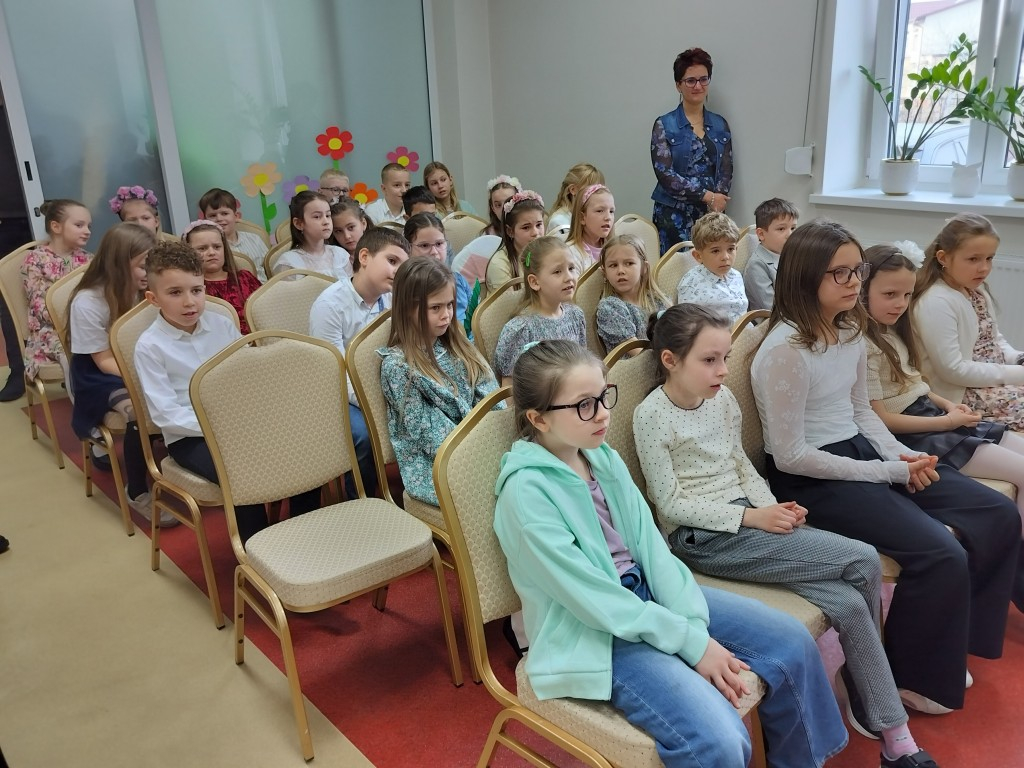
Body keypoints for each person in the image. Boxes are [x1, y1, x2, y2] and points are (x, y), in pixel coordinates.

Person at [494, 339, 848, 768]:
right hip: (592, 633)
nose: (603, 414)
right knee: (718, 741)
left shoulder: (599, 455)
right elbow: (593, 601)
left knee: (791, 642)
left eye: (604, 396)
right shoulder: (525, 495)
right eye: (585, 405)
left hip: (647, 599)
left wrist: (691, 627)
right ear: (538, 419)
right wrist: (690, 642)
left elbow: (652, 550)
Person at [637, 304, 937, 767]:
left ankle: (896, 739)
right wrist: (752, 517)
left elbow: (741, 464)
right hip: (702, 537)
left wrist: (772, 507)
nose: (722, 370)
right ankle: (875, 702)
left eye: (724, 358)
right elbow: (670, 504)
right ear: (670, 360)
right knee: (862, 559)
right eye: (709, 360)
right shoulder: (651, 414)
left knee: (849, 602)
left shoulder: (722, 399)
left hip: (748, 519)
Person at [752, 219, 1021, 716]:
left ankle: (951, 641)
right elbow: (790, 456)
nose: (854, 282)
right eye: (840, 273)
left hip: (863, 452)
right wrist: (885, 472)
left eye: (857, 270)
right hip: (814, 478)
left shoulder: (850, 329)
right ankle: (884, 680)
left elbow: (861, 413)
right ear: (805, 275)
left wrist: (900, 455)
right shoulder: (785, 350)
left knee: (996, 512)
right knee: (940, 552)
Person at [134, 241, 320, 544]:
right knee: (243, 471)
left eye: (196, 290)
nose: (189, 302)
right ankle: (256, 547)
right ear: (153, 298)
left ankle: (304, 531)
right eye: (175, 293)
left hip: (240, 422)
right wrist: (223, 429)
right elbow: (165, 414)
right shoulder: (150, 346)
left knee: (304, 448)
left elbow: (246, 376)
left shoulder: (221, 324)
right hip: (189, 437)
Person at [864, 242, 1024, 527]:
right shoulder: (864, 347)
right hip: (918, 434)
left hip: (932, 415)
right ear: (862, 291)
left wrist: (948, 405)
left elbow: (916, 385)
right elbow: (882, 419)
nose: (901, 303)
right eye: (890, 294)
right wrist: (947, 422)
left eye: (907, 295)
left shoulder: (891, 331)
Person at [67, 223, 175, 525]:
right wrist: (146, 376)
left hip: (143, 360)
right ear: (118, 264)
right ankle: (137, 490)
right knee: (137, 411)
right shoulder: (88, 301)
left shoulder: (147, 289)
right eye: (142, 265)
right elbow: (103, 360)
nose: (149, 272)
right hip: (100, 374)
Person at [378, 258, 499, 505]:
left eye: (450, 305)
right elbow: (430, 435)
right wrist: (482, 453)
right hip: (439, 465)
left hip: (482, 446)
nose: (446, 315)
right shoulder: (398, 368)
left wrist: (496, 439)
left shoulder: (457, 345)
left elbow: (490, 396)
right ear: (408, 309)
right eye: (435, 308)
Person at [309, 227, 409, 497]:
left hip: (382, 384)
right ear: (364, 257)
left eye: (403, 265)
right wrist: (375, 401)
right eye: (392, 261)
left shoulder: (392, 297)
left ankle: (415, 491)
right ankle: (362, 499)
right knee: (365, 435)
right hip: (340, 393)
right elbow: (334, 373)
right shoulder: (330, 306)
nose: (398, 271)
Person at [911, 213, 1024, 430]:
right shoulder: (936, 301)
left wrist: (1018, 359)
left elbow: (993, 339)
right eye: (973, 259)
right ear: (943, 258)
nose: (984, 268)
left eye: (989, 258)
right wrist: (1018, 374)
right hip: (962, 394)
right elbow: (953, 369)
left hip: (993, 380)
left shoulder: (976, 290)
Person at [651, 48, 733, 254]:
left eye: (703, 79)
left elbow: (726, 168)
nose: (698, 86)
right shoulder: (664, 124)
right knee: (676, 269)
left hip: (710, 214)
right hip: (673, 214)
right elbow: (665, 174)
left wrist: (717, 201)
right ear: (678, 85)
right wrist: (707, 196)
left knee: (711, 266)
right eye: (690, 81)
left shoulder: (720, 124)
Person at [493, 236, 585, 384]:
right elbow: (509, 387)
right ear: (535, 282)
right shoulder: (520, 329)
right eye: (557, 271)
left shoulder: (576, 315)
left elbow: (582, 365)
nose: (569, 277)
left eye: (571, 268)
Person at [21, 199, 92, 381]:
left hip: (85, 325)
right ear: (56, 227)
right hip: (51, 331)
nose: (87, 231)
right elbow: (39, 306)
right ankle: (80, 398)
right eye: (79, 225)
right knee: (71, 356)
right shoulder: (35, 260)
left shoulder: (89, 260)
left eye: (88, 226)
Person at [182, 220, 261, 334]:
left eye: (217, 247)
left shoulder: (245, 278)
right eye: (202, 248)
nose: (211, 252)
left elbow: (265, 312)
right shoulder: (189, 288)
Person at [595, 234, 668, 353]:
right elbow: (638, 354)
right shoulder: (609, 307)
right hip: (642, 363)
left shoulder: (658, 300)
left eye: (629, 263)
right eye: (613, 265)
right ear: (605, 273)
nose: (620, 271)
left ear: (644, 267)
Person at [675, 212, 747, 325]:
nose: (725, 257)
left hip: (746, 331)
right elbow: (687, 325)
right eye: (715, 251)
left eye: (731, 249)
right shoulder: (691, 283)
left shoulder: (736, 275)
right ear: (698, 256)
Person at [404, 213, 471, 331]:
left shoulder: (457, 279)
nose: (434, 252)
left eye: (439, 244)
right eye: (424, 245)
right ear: (408, 248)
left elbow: (475, 314)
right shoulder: (407, 287)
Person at [273, 190, 351, 280]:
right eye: (317, 217)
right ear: (299, 223)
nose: (326, 222)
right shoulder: (289, 263)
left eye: (328, 215)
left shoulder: (340, 255)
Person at [198, 188, 270, 281]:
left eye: (224, 213)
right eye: (212, 215)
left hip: (266, 287)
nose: (219, 219)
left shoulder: (255, 239)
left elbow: (269, 268)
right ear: (205, 220)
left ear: (236, 216)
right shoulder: (210, 250)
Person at [484, 190, 545, 296]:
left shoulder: (547, 254)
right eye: (526, 227)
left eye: (539, 225)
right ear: (510, 231)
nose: (535, 233)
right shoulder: (499, 265)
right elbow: (510, 305)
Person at [743, 198, 799, 311]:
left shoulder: (791, 254)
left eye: (793, 228)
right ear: (761, 234)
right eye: (781, 229)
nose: (790, 234)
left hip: (795, 310)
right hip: (772, 318)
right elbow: (771, 306)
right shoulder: (756, 265)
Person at [565, 184, 615, 273]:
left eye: (611, 211)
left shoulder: (614, 249)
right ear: (582, 218)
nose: (608, 217)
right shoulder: (570, 253)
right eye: (600, 211)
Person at [547, 163, 605, 233]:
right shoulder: (559, 222)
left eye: (599, 190)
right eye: (591, 190)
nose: (597, 195)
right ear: (573, 190)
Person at [329, 198, 370, 264]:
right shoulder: (333, 260)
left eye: (351, 227)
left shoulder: (381, 250)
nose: (347, 236)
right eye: (338, 231)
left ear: (363, 223)